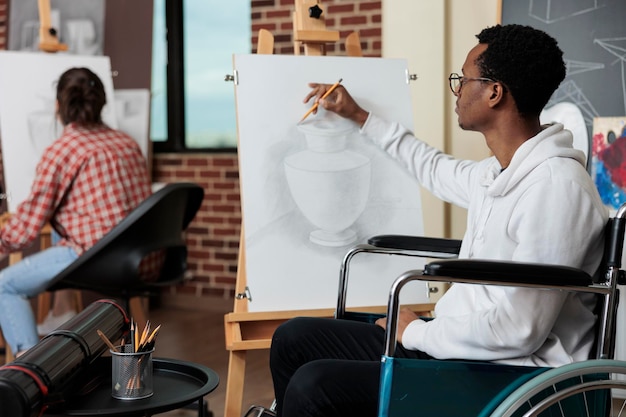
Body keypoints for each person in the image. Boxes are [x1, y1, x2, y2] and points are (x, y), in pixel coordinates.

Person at [269, 24, 608, 417]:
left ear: (495, 93)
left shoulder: (556, 189)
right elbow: (431, 166)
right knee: (293, 338)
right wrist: (359, 116)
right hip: (461, 347)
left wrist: (416, 332)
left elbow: (520, 331)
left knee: (315, 387)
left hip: (509, 375)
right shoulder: (497, 173)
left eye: (463, 80)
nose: (457, 91)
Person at [0, 67, 151, 356]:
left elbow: (28, 227)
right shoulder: (126, 142)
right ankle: (62, 311)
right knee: (62, 228)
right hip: (138, 256)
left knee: (5, 285)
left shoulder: (64, 149)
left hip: (99, 258)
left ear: (59, 107)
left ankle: (32, 377)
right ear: (102, 102)